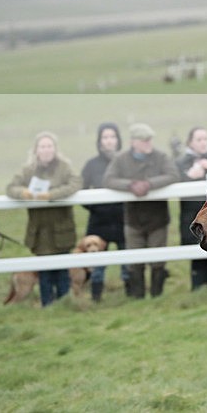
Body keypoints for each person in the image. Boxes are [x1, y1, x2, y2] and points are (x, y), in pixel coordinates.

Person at [103, 123, 179, 298]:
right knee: (134, 261)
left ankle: (156, 295)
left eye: (149, 140)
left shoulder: (160, 157)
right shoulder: (121, 159)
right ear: (133, 142)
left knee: (158, 261)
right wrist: (130, 185)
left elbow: (173, 174)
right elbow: (108, 179)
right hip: (133, 218)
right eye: (144, 140)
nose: (148, 143)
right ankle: (137, 296)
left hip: (157, 217)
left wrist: (149, 184)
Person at [6, 132, 82, 307]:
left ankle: (64, 304)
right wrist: (23, 193)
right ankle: (47, 305)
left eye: (50, 146)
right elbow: (11, 188)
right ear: (36, 150)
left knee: (63, 270)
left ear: (55, 149)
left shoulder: (65, 167)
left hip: (62, 228)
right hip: (39, 230)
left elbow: (75, 183)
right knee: (45, 272)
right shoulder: (27, 170)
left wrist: (51, 195)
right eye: (43, 146)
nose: (46, 150)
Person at [81, 122, 127, 302]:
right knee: (98, 266)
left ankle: (131, 296)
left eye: (112, 137)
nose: (109, 141)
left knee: (127, 263)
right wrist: (97, 208)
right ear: (100, 141)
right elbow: (82, 191)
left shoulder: (126, 162)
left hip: (124, 220)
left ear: (118, 140)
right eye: (105, 137)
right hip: (99, 223)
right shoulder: (91, 165)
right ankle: (96, 298)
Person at [175, 126, 207, 290]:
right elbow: (175, 181)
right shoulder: (182, 162)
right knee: (194, 250)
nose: (203, 143)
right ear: (190, 142)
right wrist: (189, 177)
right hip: (190, 214)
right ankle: (197, 286)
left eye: (205, 139)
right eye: (198, 140)